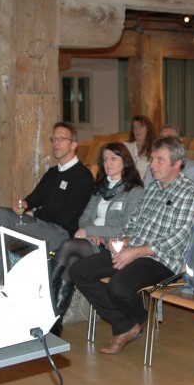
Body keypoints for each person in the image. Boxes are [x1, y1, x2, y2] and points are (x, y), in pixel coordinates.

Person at [70, 136, 194, 355]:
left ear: (177, 163)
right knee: (79, 271)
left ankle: (131, 322)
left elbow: (177, 240)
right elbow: (133, 224)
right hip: (135, 250)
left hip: (162, 260)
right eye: (153, 159)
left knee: (118, 285)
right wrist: (123, 240)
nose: (153, 164)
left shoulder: (189, 194)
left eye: (160, 160)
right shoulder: (152, 189)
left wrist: (134, 252)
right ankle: (128, 322)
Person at [0, 122, 93, 284]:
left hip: (60, 232)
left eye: (61, 139)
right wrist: (24, 204)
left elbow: (66, 216)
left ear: (74, 144)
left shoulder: (82, 176)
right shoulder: (52, 173)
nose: (56, 143)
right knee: (0, 214)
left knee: (10, 232)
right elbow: (34, 198)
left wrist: (35, 213)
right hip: (40, 223)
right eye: (54, 139)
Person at [48, 142, 145, 335]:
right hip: (91, 241)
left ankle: (43, 303)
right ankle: (55, 319)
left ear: (125, 162)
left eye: (113, 158)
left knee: (68, 246)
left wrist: (92, 230)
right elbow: (84, 217)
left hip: (113, 246)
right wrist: (92, 232)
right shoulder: (100, 188)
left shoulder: (134, 191)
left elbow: (125, 227)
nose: (108, 163)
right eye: (105, 159)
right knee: (72, 259)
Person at [123, 114, 154, 180]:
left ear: (148, 129)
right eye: (135, 127)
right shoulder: (125, 146)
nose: (137, 130)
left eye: (140, 127)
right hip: (127, 183)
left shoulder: (154, 148)